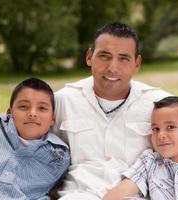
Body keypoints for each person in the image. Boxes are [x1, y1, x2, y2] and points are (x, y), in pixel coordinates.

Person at [53, 22, 170, 200]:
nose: (112, 68)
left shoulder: (160, 103)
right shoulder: (63, 100)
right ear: (89, 57)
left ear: (136, 63)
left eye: (123, 58)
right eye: (104, 56)